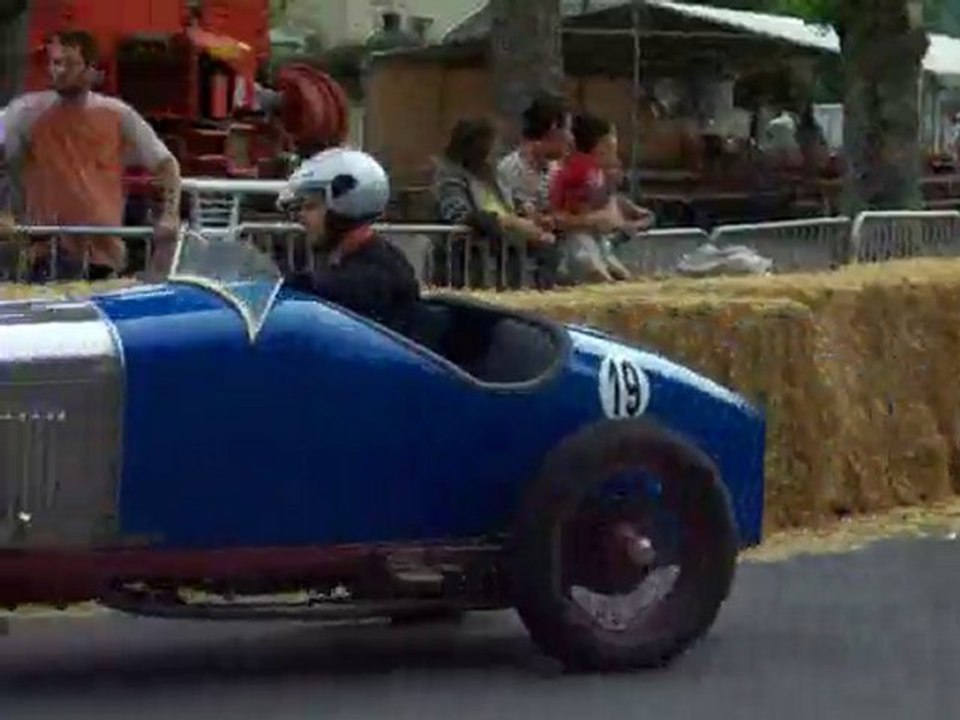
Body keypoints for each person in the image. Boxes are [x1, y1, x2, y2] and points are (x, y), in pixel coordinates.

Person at [0, 30, 182, 281]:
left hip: (102, 254)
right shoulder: (23, 112)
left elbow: (166, 163)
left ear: (91, 70)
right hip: (44, 253)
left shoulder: (118, 115)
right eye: (56, 63)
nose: (60, 71)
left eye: (70, 63)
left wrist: (170, 215)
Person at [278, 147, 420, 332]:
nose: (301, 217)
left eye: (311, 206)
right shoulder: (351, 261)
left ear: (347, 205)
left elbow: (315, 290)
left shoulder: (373, 276)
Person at [433, 117, 555, 289]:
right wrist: (511, 223)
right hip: (469, 266)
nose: (497, 150)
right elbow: (459, 215)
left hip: (506, 262)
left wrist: (531, 217)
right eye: (493, 144)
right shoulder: (449, 176)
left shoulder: (493, 176)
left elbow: (510, 203)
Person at [550, 113, 632, 283]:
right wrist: (594, 218)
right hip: (575, 240)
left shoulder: (597, 173)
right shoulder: (581, 171)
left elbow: (609, 216)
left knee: (622, 276)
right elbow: (570, 212)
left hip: (595, 238)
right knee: (600, 276)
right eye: (611, 145)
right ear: (600, 145)